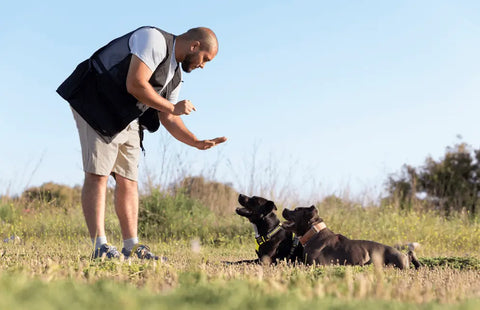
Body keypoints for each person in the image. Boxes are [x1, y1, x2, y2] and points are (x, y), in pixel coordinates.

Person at [57, 26, 227, 260]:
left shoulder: (175, 76)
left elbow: (168, 116)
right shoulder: (154, 40)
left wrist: (195, 142)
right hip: (96, 102)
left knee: (129, 179)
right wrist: (170, 107)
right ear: (194, 46)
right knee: (99, 174)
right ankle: (100, 246)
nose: (203, 65)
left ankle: (132, 246)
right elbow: (136, 84)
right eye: (205, 59)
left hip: (126, 115)